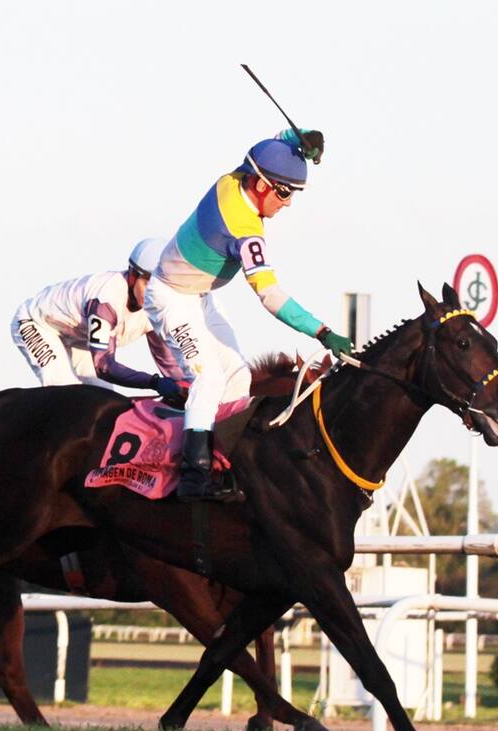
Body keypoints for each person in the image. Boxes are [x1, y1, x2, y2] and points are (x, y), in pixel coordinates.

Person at [145, 129, 353, 502]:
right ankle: (192, 480)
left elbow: (269, 145)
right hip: (171, 298)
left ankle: (220, 460)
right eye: (284, 192)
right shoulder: (244, 229)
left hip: (199, 296)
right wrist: (322, 333)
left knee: (238, 377)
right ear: (260, 185)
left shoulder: (233, 178)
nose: (287, 204)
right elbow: (270, 297)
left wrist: (300, 138)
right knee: (207, 381)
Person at [11, 238, 185, 402]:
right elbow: (104, 366)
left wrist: (185, 387)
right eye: (148, 283)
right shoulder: (107, 300)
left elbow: (167, 361)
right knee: (64, 389)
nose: (154, 292)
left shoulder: (156, 307)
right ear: (132, 277)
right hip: (37, 323)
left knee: (105, 399)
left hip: (78, 336)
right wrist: (153, 382)